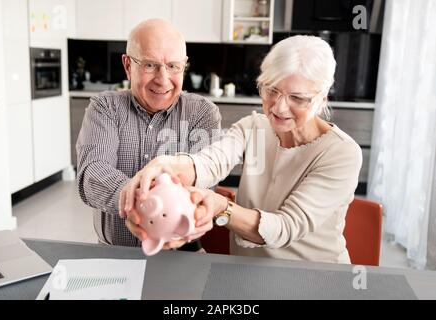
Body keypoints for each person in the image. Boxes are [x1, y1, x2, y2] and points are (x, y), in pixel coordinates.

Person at [121, 35, 363, 264]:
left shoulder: (342, 153)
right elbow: (209, 163)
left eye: (297, 98)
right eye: (271, 90)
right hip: (247, 272)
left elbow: (285, 227)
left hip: (315, 279)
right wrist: (168, 165)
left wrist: (221, 207)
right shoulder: (254, 127)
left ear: (322, 98)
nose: (279, 108)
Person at [76, 19, 221, 250]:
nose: (162, 80)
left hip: (181, 256)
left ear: (184, 65)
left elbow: (204, 183)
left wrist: (143, 203)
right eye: (150, 65)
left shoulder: (202, 113)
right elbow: (92, 173)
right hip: (114, 254)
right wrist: (138, 202)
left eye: (173, 66)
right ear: (127, 65)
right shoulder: (105, 107)